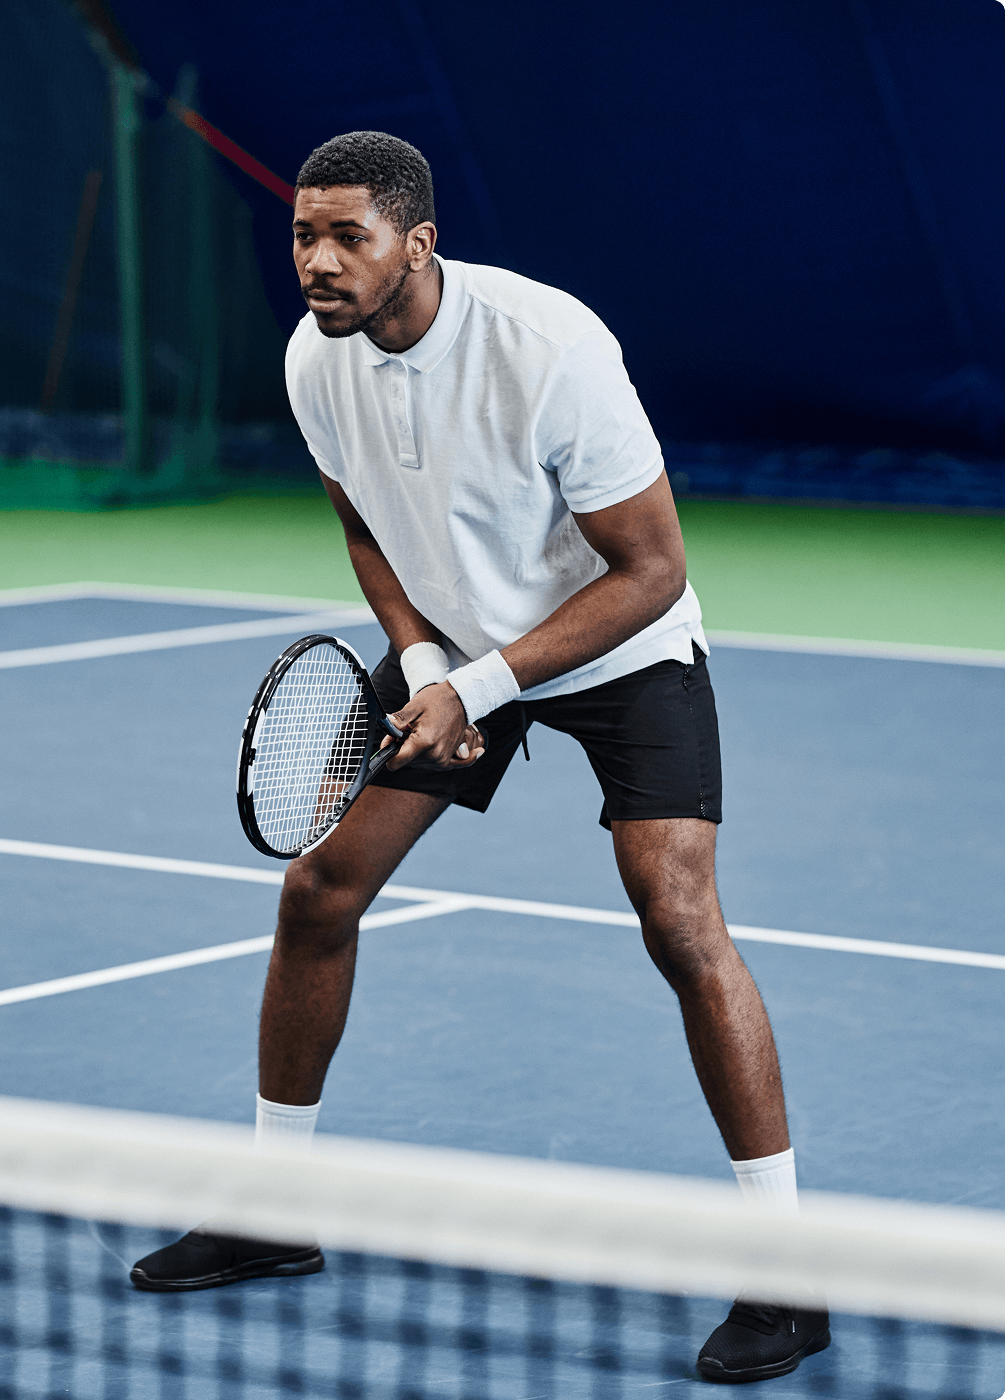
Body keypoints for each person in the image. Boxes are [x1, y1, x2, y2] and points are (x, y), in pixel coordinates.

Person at [131, 130, 830, 1383]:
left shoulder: (551, 348)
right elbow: (364, 527)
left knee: (679, 917)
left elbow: (654, 569)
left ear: (419, 243)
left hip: (617, 651)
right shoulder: (316, 361)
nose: (317, 261)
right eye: (303, 234)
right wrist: (416, 664)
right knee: (318, 890)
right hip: (452, 652)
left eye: (348, 235)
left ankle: (788, 1270)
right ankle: (274, 1204)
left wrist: (486, 680)